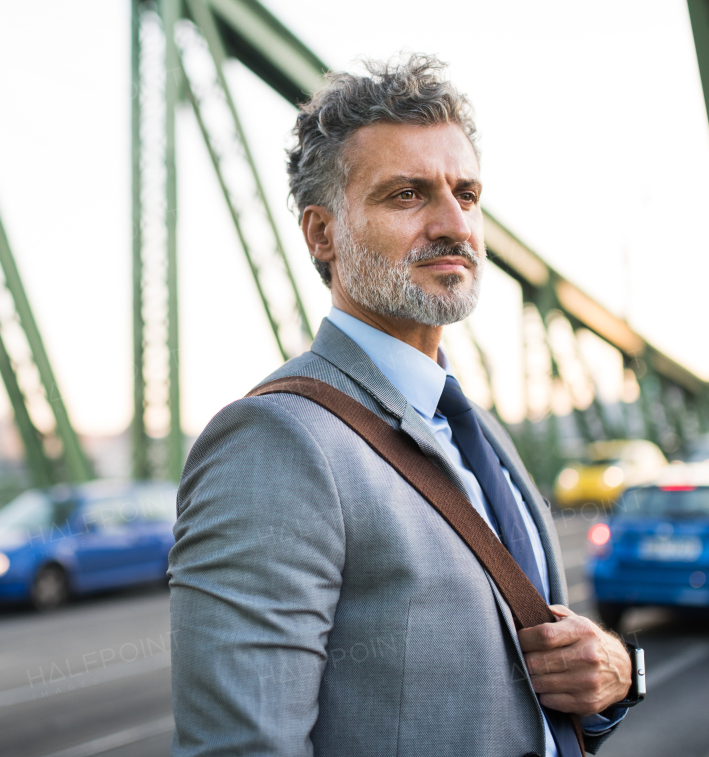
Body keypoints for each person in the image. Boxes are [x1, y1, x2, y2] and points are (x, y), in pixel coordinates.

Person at [169, 55, 635, 756]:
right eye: (408, 195)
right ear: (322, 234)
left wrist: (615, 676)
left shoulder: (473, 427)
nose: (455, 225)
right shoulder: (274, 440)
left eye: (468, 194)